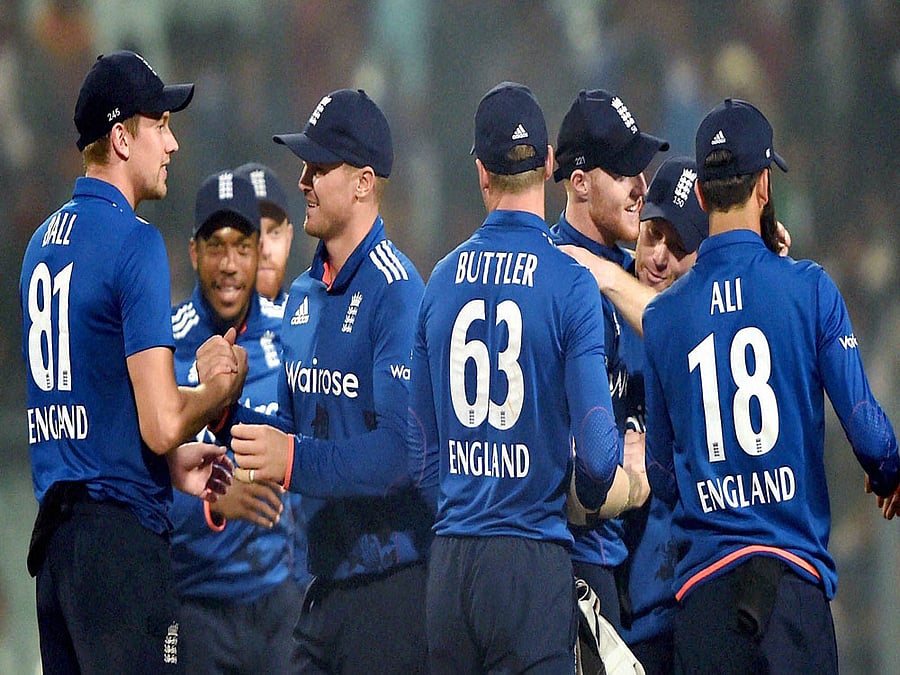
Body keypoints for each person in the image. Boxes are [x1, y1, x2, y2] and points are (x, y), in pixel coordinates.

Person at [642, 98, 900, 673]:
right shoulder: (809, 290)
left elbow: (661, 478)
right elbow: (870, 435)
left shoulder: (663, 319)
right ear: (763, 186)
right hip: (791, 598)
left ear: (702, 196)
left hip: (705, 599)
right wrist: (890, 473)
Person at [18, 50, 247, 673]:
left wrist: (169, 464)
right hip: (121, 555)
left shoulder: (40, 246)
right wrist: (214, 386)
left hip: (55, 557)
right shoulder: (135, 242)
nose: (172, 143)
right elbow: (161, 420)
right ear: (122, 138)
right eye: (160, 125)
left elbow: (97, 400)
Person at [407, 81, 634, 674]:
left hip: (451, 567)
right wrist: (591, 495)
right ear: (551, 163)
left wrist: (463, 507)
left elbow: (420, 452)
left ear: (482, 173)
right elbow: (598, 458)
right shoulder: (570, 283)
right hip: (532, 558)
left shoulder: (440, 280)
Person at [226, 88, 432, 673]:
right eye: (304, 167)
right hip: (320, 591)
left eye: (319, 168)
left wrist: (291, 459)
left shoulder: (398, 292)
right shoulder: (300, 296)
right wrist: (229, 400)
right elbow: (284, 432)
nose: (304, 182)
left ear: (364, 181)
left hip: (389, 594)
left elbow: (401, 453)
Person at [169, 169, 305, 674]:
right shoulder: (161, 345)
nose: (229, 265)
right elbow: (135, 479)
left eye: (242, 247)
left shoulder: (292, 337)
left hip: (278, 604)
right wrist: (209, 505)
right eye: (216, 246)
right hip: (194, 604)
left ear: (258, 253)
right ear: (194, 253)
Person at [550, 88, 666, 630]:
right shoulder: (548, 277)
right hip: (570, 560)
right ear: (579, 182)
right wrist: (630, 478)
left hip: (630, 564)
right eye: (624, 173)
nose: (642, 187)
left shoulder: (635, 270)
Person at [233, 161, 295, 303]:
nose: (265, 250)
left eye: (274, 233)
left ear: (288, 238)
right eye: (252, 233)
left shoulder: (311, 322)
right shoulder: (184, 323)